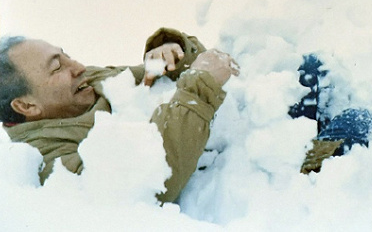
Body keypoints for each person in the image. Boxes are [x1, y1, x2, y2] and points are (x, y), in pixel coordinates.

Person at [0, 27, 237, 203]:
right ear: (26, 106)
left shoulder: (84, 83)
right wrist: (200, 88)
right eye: (57, 67)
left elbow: (167, 73)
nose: (79, 66)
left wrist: (172, 52)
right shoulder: (46, 162)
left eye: (65, 55)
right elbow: (146, 190)